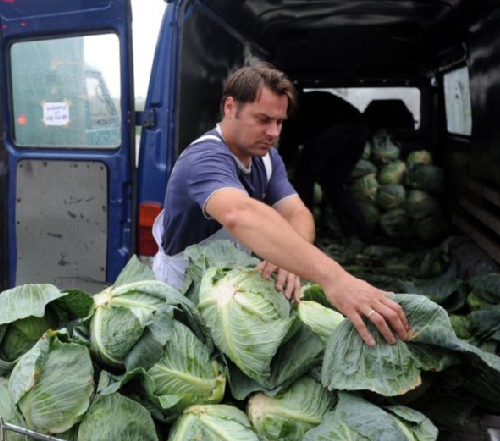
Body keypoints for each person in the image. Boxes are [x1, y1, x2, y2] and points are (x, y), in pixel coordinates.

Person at [152, 63, 408, 346]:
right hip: (187, 289)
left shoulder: (267, 159)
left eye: (280, 122)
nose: (274, 132)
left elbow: (298, 212)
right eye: (263, 119)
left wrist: (288, 259)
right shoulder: (204, 159)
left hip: (233, 288)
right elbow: (240, 214)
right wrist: (335, 278)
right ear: (229, 107)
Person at [278, 90, 371, 240]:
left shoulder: (290, 109)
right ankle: (358, 232)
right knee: (334, 184)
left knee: (303, 179)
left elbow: (289, 143)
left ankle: (304, 233)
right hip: (359, 130)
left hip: (334, 131)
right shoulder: (314, 98)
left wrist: (279, 166)